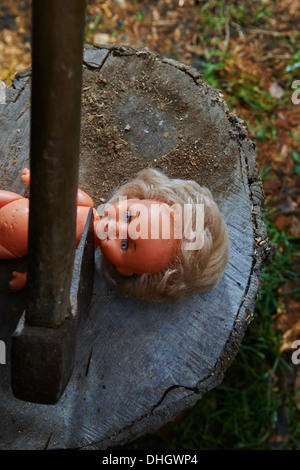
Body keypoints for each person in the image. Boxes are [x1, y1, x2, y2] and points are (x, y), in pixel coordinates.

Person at [0, 168, 229, 301]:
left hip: (15, 245)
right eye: (129, 216)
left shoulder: (79, 250)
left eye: (125, 245)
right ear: (138, 198)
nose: (115, 228)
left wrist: (27, 280)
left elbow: (51, 268)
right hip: (17, 205)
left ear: (125, 269)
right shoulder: (86, 205)